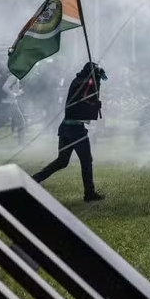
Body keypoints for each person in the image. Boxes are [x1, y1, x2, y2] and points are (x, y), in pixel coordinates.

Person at [32, 62, 107, 202]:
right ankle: (89, 193)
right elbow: (89, 99)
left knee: (62, 161)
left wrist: (96, 79)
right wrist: (97, 98)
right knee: (86, 161)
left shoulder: (77, 81)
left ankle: (34, 179)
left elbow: (89, 94)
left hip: (66, 126)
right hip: (76, 129)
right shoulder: (88, 83)